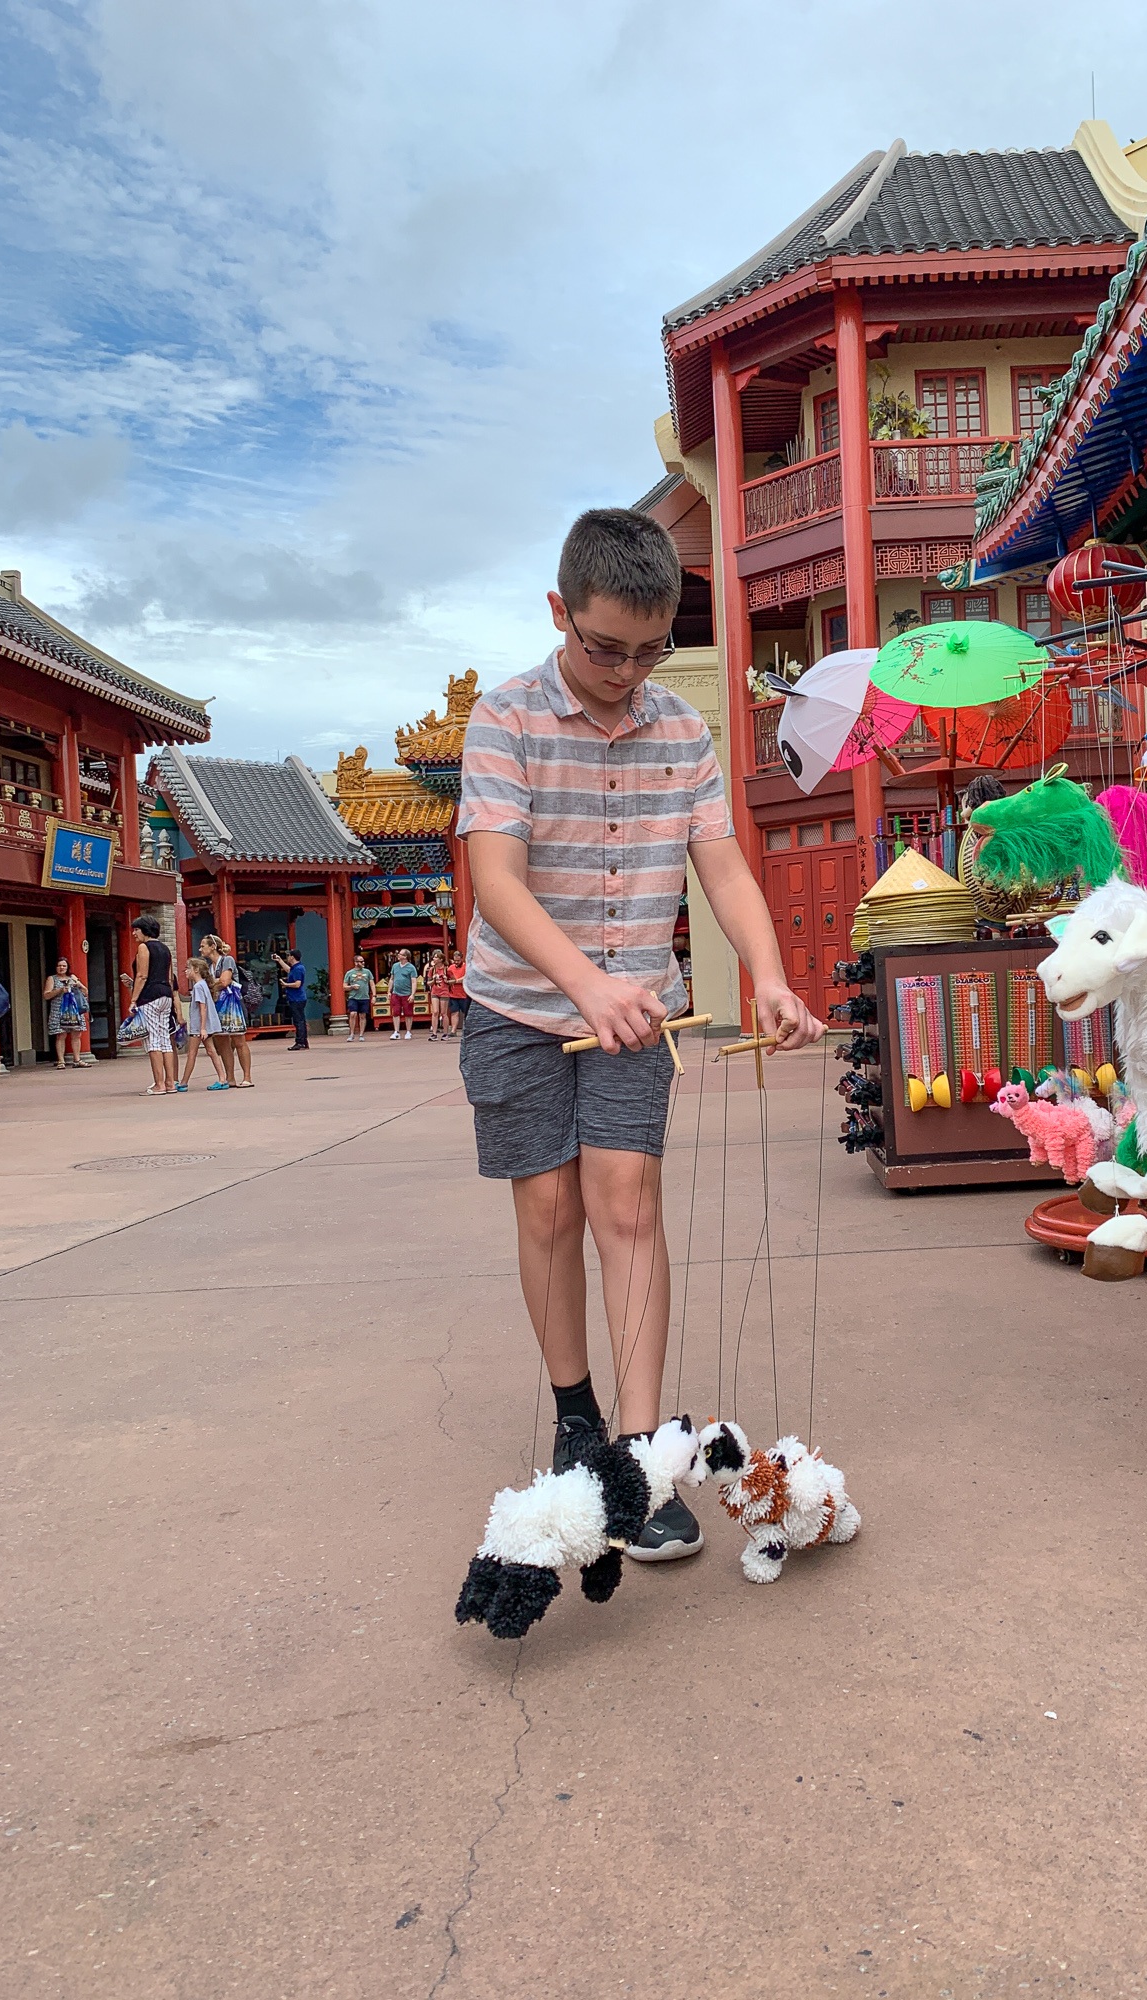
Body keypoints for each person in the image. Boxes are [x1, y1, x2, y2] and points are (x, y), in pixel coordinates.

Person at [459, 507, 824, 1564]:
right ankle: (575, 1408)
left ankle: (638, 1445)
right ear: (559, 612)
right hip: (521, 1005)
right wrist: (582, 982)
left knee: (627, 1200)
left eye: (647, 649)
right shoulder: (505, 717)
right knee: (550, 1205)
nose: (624, 670)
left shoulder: (683, 730)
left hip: (633, 1010)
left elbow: (720, 863)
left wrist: (768, 975)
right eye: (602, 646)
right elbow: (496, 879)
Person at [129, 916, 179, 1096]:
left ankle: (159, 1084)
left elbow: (142, 975)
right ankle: (170, 1082)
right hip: (165, 994)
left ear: (144, 930)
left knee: (153, 1040)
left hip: (149, 995)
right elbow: (169, 976)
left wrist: (133, 999)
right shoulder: (165, 949)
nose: (134, 933)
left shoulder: (144, 947)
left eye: (136, 929)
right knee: (165, 1039)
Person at [200, 934, 253, 1087]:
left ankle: (247, 1077)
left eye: (203, 946)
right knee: (222, 1042)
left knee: (239, 1040)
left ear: (212, 947)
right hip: (218, 1004)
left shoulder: (227, 960)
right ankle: (230, 1077)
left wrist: (210, 985)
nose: (201, 949)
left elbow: (225, 981)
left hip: (232, 1004)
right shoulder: (209, 966)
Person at [178, 957, 231, 1090]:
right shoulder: (203, 985)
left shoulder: (197, 987)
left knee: (192, 1054)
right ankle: (222, 1078)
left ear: (196, 970)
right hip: (206, 1026)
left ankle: (184, 1082)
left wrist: (202, 1028)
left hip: (199, 1027)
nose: (185, 971)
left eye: (188, 968)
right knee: (211, 1051)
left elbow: (203, 1007)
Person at [43, 957, 89, 1069]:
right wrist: (60, 990)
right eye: (59, 966)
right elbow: (46, 995)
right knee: (61, 1035)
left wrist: (78, 984)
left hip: (74, 1010)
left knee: (76, 1034)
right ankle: (61, 1061)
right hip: (59, 1009)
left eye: (64, 965)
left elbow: (85, 992)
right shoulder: (52, 979)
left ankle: (77, 1059)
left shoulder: (72, 977)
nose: (61, 968)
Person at [275, 947, 309, 1048]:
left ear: (292, 957)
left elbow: (297, 984)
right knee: (301, 1020)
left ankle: (300, 1042)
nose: (288, 957)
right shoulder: (296, 967)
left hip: (297, 998)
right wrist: (279, 960)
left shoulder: (298, 969)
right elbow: (288, 969)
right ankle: (304, 1042)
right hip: (297, 998)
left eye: (289, 956)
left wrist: (286, 984)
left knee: (298, 1021)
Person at [343, 953, 374, 1042]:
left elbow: (371, 984)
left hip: (364, 997)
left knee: (363, 1015)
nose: (361, 963)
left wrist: (374, 995)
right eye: (359, 961)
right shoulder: (349, 973)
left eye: (362, 961)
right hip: (353, 997)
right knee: (353, 1014)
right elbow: (344, 986)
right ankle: (352, 1033)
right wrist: (352, 987)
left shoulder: (367, 972)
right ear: (355, 962)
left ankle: (361, 1034)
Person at [387, 948, 417, 1039]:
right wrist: (389, 991)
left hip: (407, 993)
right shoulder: (395, 966)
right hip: (396, 993)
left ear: (405, 956)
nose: (398, 955)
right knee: (395, 1012)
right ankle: (396, 1031)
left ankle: (408, 1031)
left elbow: (414, 981)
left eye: (400, 954)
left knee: (408, 1013)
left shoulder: (411, 967)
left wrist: (412, 994)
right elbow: (391, 979)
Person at [425, 948, 449, 1040]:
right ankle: (434, 1033)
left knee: (443, 1013)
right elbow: (428, 982)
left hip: (444, 991)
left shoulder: (447, 969)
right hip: (435, 991)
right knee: (435, 1012)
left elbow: (453, 980)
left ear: (441, 959)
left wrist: (447, 979)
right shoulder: (432, 970)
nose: (434, 959)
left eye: (435, 958)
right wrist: (434, 980)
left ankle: (445, 1033)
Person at [445, 948, 467, 1039]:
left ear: (462, 959)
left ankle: (467, 1029)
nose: (456, 962)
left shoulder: (466, 966)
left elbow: (466, 977)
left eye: (458, 960)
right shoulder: (450, 968)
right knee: (454, 1012)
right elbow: (448, 977)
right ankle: (454, 1030)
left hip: (464, 993)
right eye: (455, 960)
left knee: (466, 1013)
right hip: (453, 994)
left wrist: (456, 981)